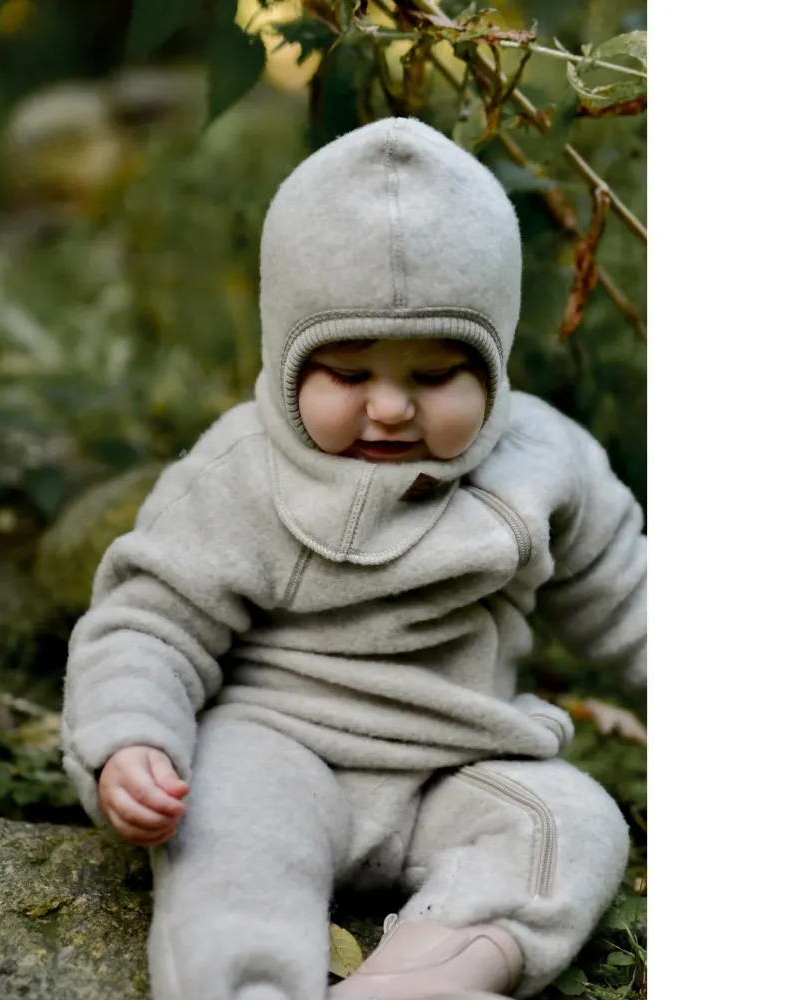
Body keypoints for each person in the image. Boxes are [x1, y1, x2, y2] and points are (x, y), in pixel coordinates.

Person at [60, 117, 646, 1000]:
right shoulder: (241, 472)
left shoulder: (542, 462)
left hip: (464, 763)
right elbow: (150, 624)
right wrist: (130, 739)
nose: (392, 408)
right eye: (347, 372)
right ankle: (250, 984)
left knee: (572, 823)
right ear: (287, 351)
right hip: (277, 748)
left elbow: (627, 592)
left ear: (494, 359)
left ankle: (430, 974)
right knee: (226, 838)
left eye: (435, 375)